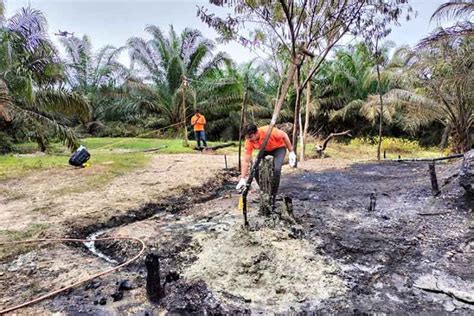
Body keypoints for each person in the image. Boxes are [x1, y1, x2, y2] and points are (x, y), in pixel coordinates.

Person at [236, 123, 296, 199]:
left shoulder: (269, 131)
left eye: (250, 137)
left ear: (256, 133)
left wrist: (291, 152)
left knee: (277, 170)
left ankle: (273, 194)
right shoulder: (249, 141)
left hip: (278, 148)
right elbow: (246, 160)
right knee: (254, 169)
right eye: (247, 138)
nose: (249, 139)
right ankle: (264, 190)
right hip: (264, 150)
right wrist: (242, 178)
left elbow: (284, 135)